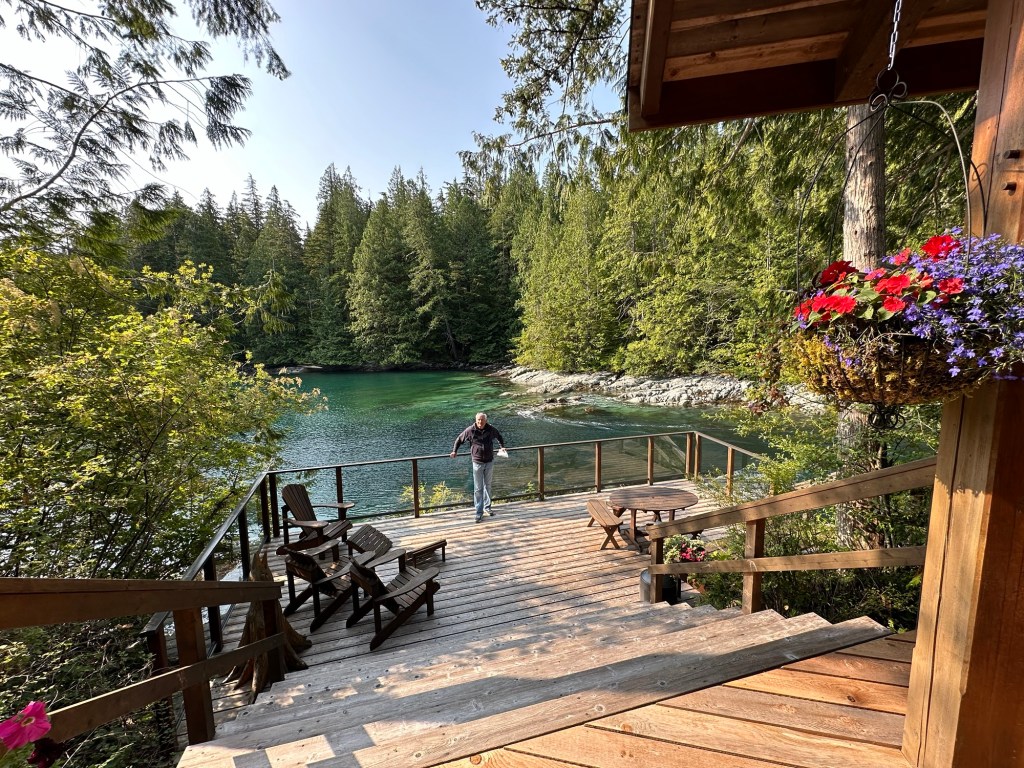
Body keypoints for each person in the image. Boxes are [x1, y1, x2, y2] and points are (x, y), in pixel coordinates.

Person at [450, 412, 506, 523]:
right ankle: (479, 512)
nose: (480, 422)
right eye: (478, 420)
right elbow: (459, 439)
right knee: (478, 488)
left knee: (487, 485)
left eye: (482, 420)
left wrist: (502, 447)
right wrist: (454, 451)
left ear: (486, 420)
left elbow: (499, 436)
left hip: (489, 461)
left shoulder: (491, 429)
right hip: (477, 462)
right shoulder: (470, 430)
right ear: (476, 420)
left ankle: (487, 507)